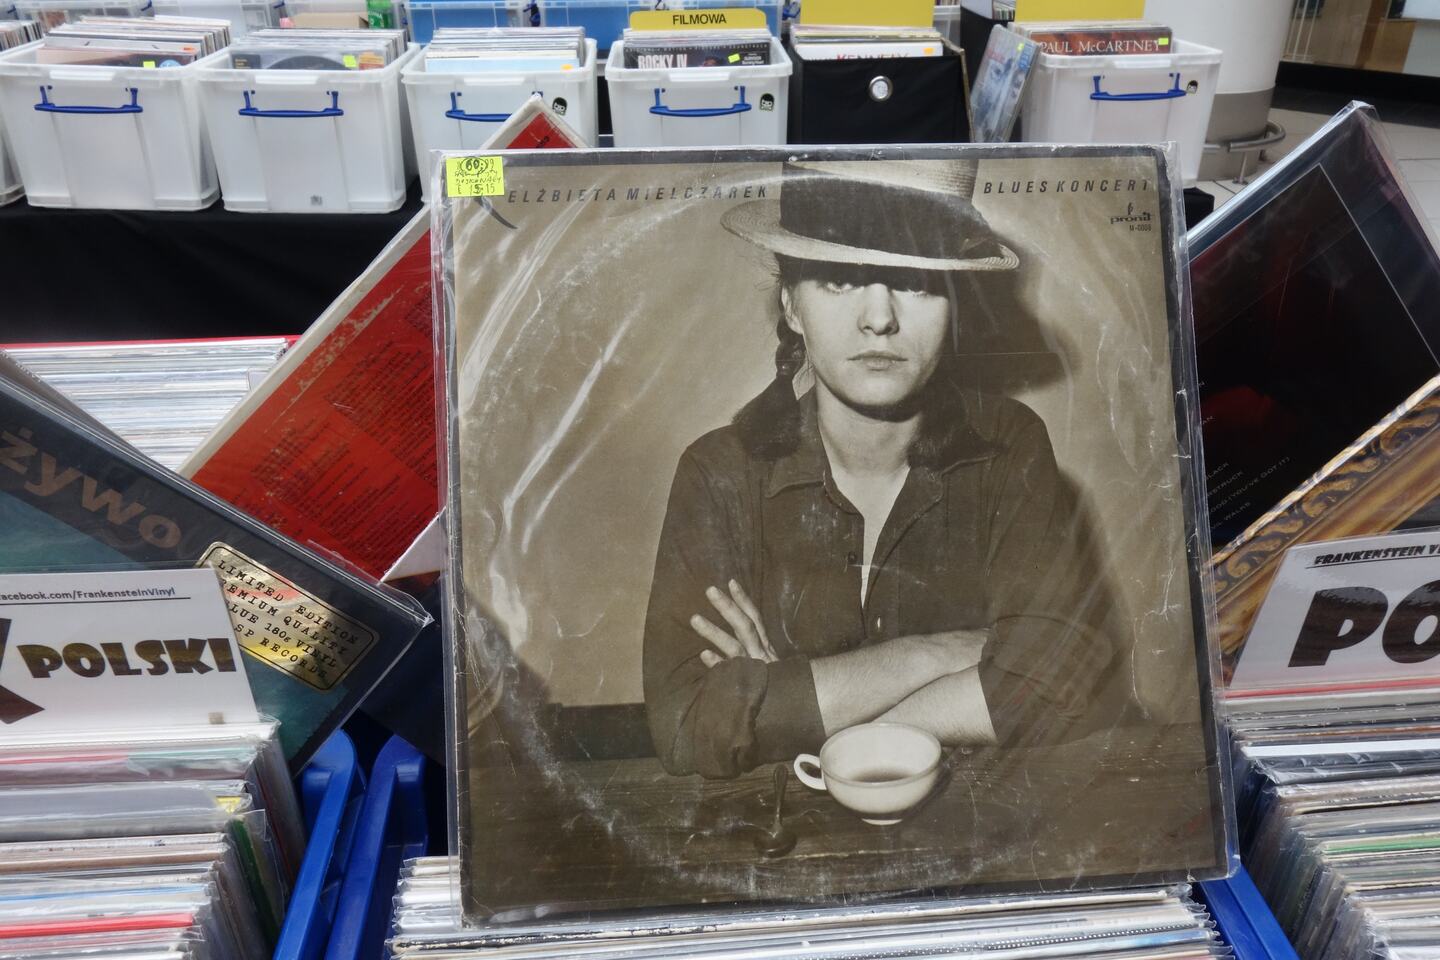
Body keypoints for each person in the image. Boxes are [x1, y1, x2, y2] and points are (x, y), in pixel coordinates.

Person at [642, 161, 1130, 780]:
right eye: (840, 280)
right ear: (792, 306)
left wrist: (802, 708)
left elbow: (1059, 677)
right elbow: (689, 724)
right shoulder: (719, 473)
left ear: (954, 306)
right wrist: (935, 656)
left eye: (917, 282)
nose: (879, 318)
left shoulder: (1009, 445)